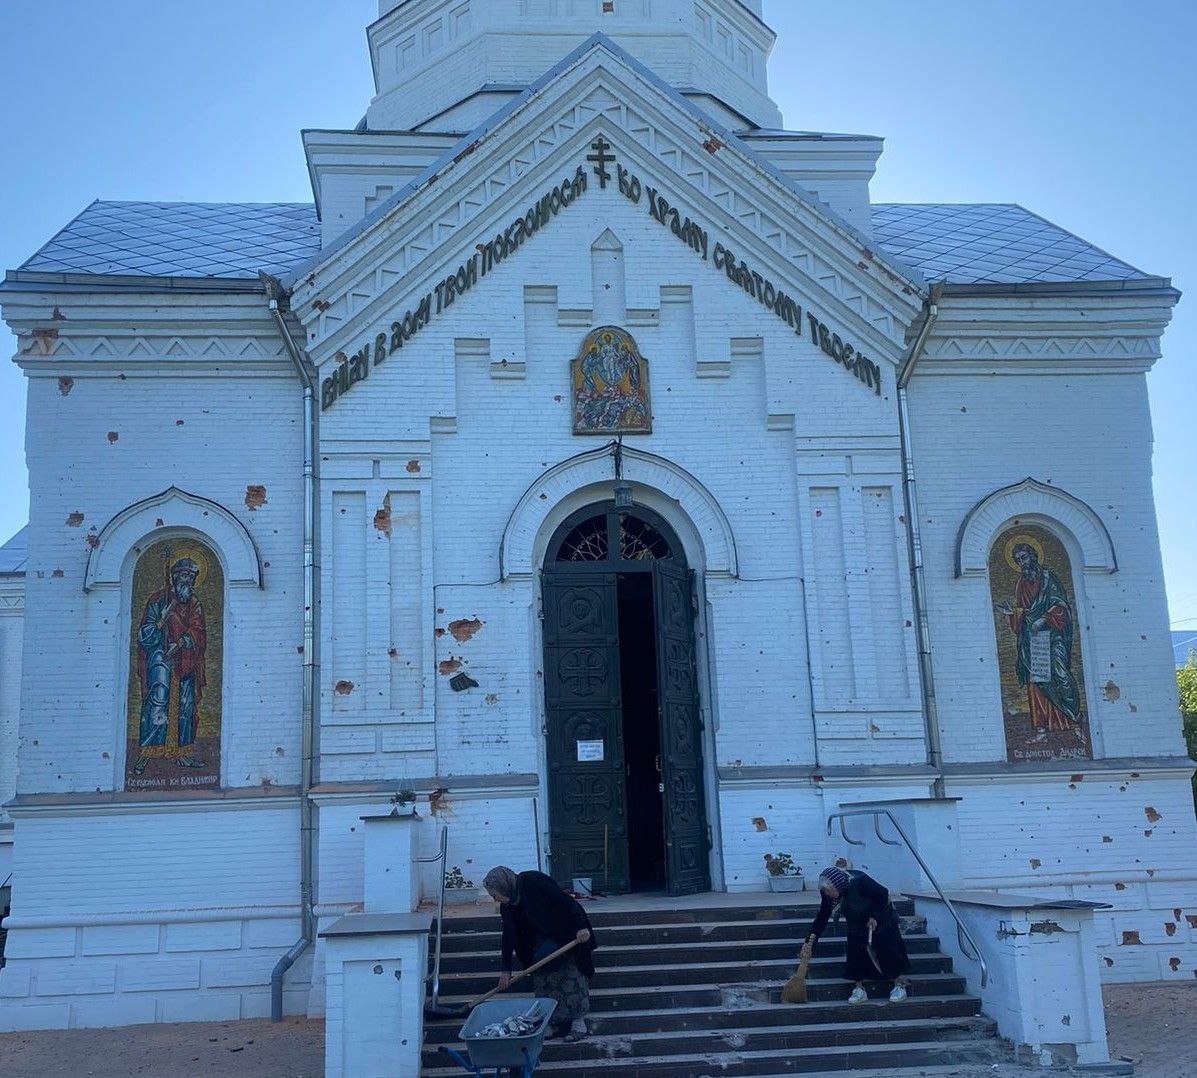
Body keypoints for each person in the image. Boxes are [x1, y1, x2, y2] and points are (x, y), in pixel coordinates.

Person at [483, 867, 597, 1042]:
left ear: (505, 886)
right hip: (537, 947)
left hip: (566, 936)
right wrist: (505, 970)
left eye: (495, 894)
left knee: (571, 979)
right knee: (544, 982)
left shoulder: (533, 882)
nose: (494, 899)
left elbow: (566, 903)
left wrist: (581, 926)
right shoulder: (508, 907)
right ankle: (553, 1022)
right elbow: (508, 936)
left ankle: (577, 1021)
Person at [995, 540, 1085, 745]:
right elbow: (1022, 612)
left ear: (1033, 556)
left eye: (1024, 558)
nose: (1022, 563)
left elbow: (1061, 606)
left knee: (1061, 674)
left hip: (1054, 637)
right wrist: (1013, 614)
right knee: (1036, 684)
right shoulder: (1021, 583)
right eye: (1017, 561)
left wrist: (1044, 619)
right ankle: (1042, 729)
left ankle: (1075, 722)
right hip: (1034, 640)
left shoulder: (1048, 579)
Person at [133, 556, 208, 775]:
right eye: (185, 576)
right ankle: (147, 752)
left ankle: (182, 753)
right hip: (160, 656)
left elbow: (199, 630)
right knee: (158, 698)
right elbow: (144, 634)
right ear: (175, 577)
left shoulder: (194, 604)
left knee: (185, 705)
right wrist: (160, 622)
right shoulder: (158, 600)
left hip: (185, 659)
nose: (189, 582)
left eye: (192, 577)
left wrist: (184, 641)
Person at [800, 866, 911, 1005]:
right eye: (825, 892)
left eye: (829, 890)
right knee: (855, 949)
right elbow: (822, 917)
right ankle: (859, 989)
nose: (827, 894)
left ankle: (899, 985)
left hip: (881, 915)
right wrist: (810, 942)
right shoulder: (828, 893)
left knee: (888, 946)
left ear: (838, 885)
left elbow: (883, 894)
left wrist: (873, 916)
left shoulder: (861, 882)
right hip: (856, 919)